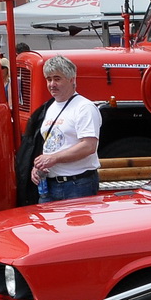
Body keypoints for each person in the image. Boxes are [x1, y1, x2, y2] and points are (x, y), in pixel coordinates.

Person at [32, 55, 101, 201]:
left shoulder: (84, 107)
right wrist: (38, 166)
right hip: (48, 185)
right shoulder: (51, 107)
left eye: (57, 79)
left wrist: (53, 159)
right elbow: (51, 144)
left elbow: (89, 146)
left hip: (77, 185)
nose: (52, 84)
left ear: (72, 80)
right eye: (49, 79)